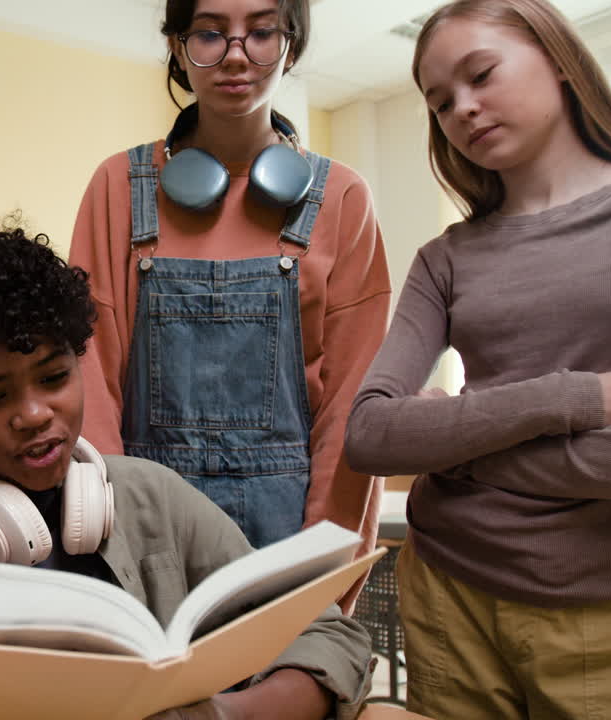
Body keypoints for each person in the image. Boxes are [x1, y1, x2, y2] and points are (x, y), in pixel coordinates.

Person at [0, 217, 373, 720]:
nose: (34, 415)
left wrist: (230, 714)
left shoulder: (154, 497)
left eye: (54, 379)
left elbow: (327, 633)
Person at [344, 0, 611, 717]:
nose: (463, 109)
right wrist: (572, 399)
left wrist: (454, 448)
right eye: (440, 103)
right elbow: (370, 435)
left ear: (557, 57)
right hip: (447, 595)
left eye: (481, 74)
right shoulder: (444, 259)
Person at [68, 0, 390, 610]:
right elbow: (90, 385)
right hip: (143, 534)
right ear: (177, 47)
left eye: (262, 32)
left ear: (290, 45)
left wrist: (325, 586)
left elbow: (353, 412)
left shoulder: (343, 198)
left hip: (288, 545)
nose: (237, 54)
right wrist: (112, 548)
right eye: (210, 33)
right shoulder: (117, 186)